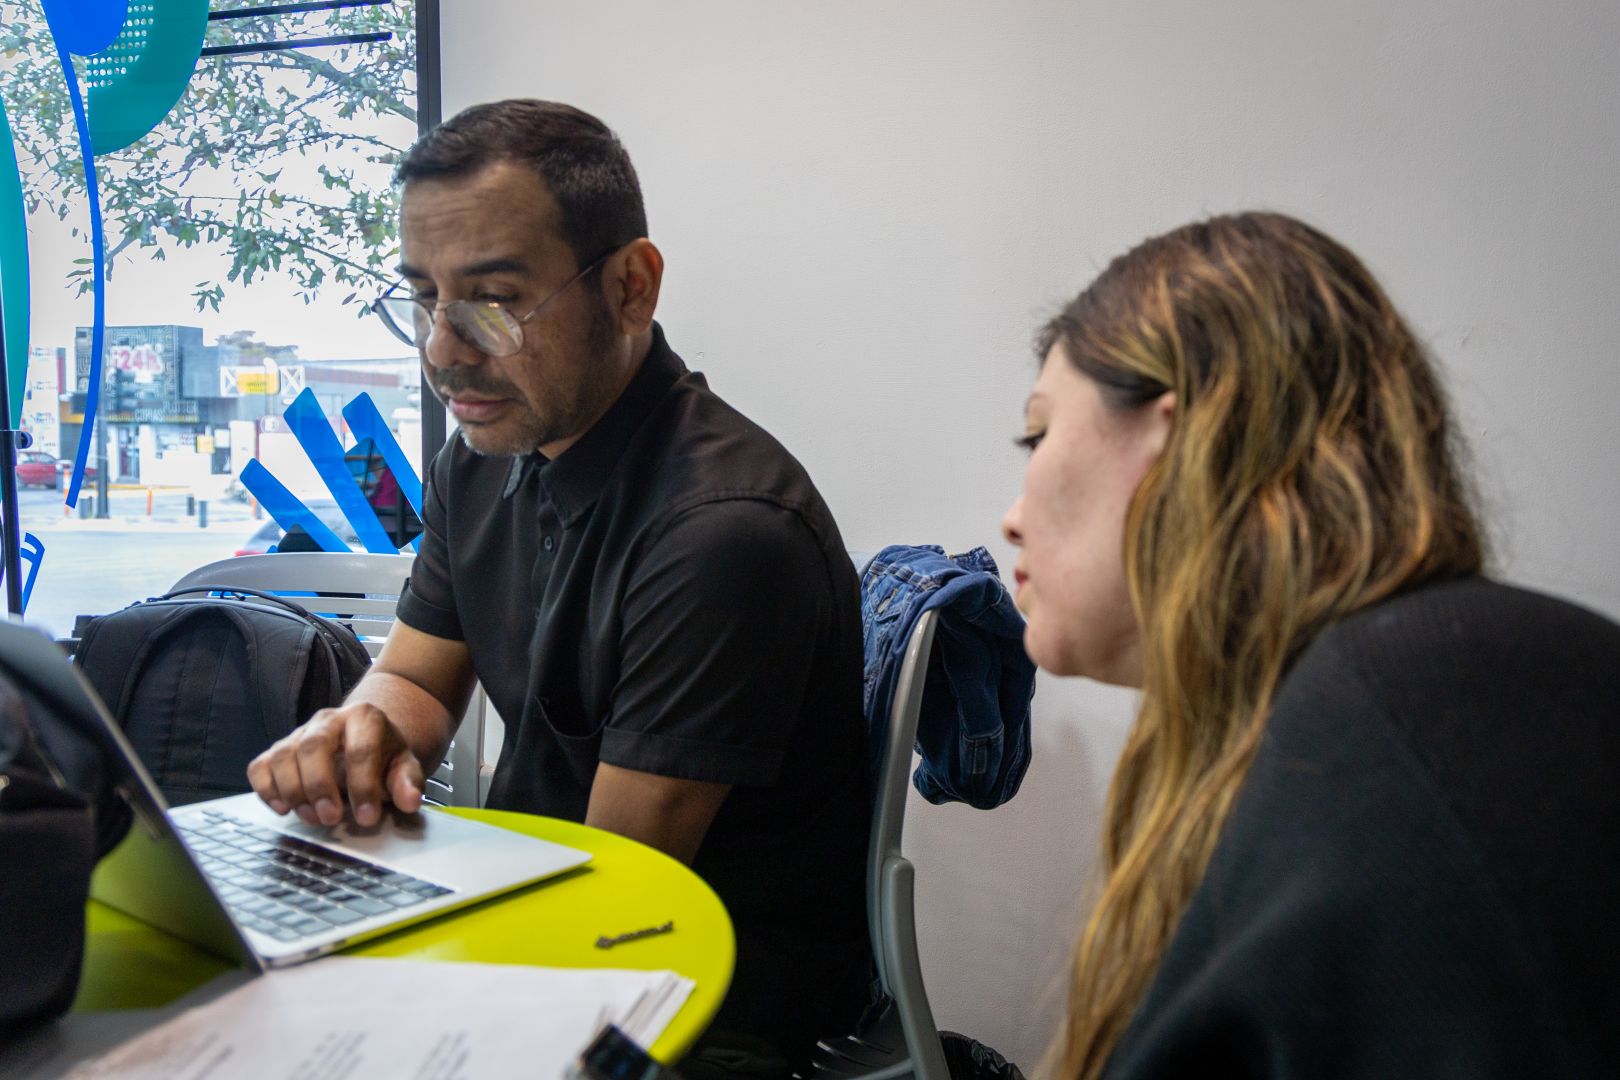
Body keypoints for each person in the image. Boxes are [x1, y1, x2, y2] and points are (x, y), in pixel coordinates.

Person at [246, 100, 872, 1074]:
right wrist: (356, 731)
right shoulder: (484, 458)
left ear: (631, 287)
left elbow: (622, 889)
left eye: (492, 301)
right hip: (549, 905)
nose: (443, 352)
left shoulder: (724, 533)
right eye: (422, 297)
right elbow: (416, 677)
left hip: (692, 989)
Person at [1001, 212, 1620, 1078]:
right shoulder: (1345, 711)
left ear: (1176, 437)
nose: (1011, 515)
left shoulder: (1420, 709)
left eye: (1035, 435)